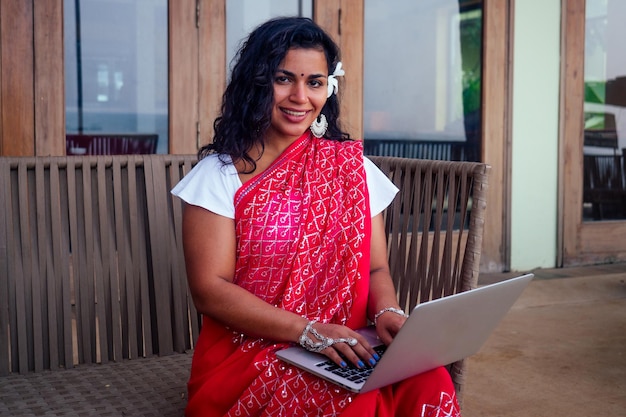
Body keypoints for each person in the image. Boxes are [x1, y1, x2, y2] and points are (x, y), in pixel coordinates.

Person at [171, 16, 461, 417]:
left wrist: (387, 312)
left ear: (329, 87)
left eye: (314, 82)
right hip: (253, 351)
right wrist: (308, 332)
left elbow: (376, 268)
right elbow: (209, 289)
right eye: (283, 78)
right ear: (256, 82)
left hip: (349, 341)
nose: (299, 96)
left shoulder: (351, 168)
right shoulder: (219, 177)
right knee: (348, 403)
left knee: (430, 381)